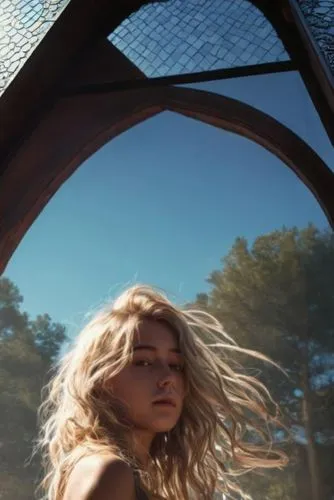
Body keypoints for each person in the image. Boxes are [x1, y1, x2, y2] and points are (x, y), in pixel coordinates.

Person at [35, 285, 288, 500]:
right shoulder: (110, 471)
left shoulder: (110, 469)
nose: (168, 379)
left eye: (176, 365)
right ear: (101, 380)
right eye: (143, 362)